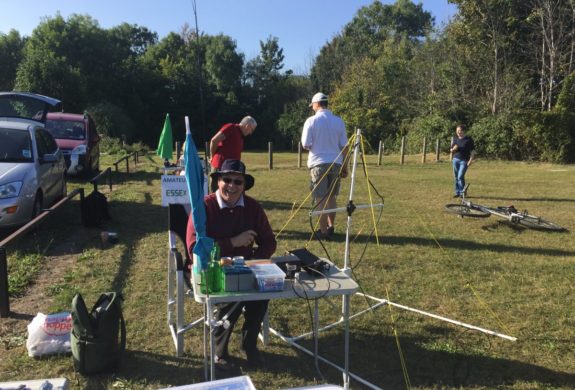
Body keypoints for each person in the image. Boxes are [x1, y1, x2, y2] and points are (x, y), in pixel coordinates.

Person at [186, 159, 276, 370]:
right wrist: (233, 242)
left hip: (245, 266)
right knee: (231, 298)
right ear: (218, 181)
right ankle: (220, 351)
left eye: (238, 182)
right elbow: (194, 250)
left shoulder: (253, 207)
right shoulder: (204, 207)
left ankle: (249, 345)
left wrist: (255, 261)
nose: (232, 186)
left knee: (262, 294)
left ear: (244, 185)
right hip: (210, 269)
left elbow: (269, 241)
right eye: (227, 179)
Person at [301, 92, 349, 240]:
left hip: (318, 164)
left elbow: (306, 144)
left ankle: (322, 231)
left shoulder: (311, 121)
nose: (312, 108)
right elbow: (345, 146)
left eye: (313, 105)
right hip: (336, 163)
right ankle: (331, 226)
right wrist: (345, 166)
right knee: (332, 197)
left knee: (320, 198)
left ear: (317, 104)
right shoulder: (338, 121)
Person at [209, 116, 257, 192]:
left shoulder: (240, 136)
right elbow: (214, 140)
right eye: (252, 130)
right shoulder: (231, 128)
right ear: (247, 126)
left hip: (230, 170)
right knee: (216, 193)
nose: (250, 133)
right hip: (219, 166)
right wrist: (212, 156)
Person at [450, 124, 475, 197]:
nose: (458, 132)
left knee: (460, 176)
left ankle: (462, 192)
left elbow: (472, 151)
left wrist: (470, 160)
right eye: (457, 131)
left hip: (464, 161)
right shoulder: (455, 139)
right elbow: (451, 149)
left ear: (463, 131)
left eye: (460, 130)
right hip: (455, 159)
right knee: (456, 176)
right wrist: (453, 149)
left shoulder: (468, 139)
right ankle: (457, 192)